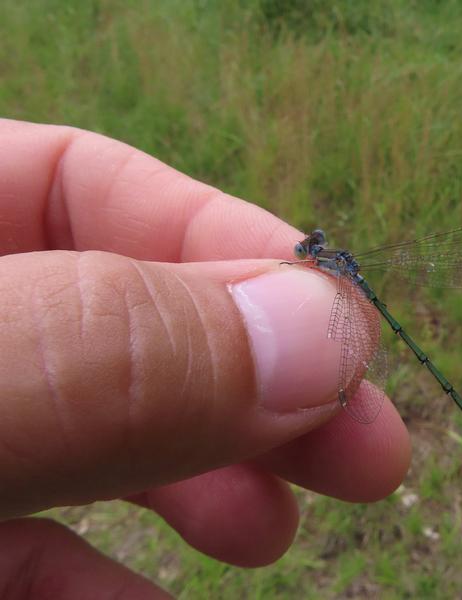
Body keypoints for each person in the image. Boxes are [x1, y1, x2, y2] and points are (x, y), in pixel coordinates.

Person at [0, 119, 410, 597]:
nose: (305, 253)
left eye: (308, 252)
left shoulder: (329, 272)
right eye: (306, 251)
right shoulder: (321, 265)